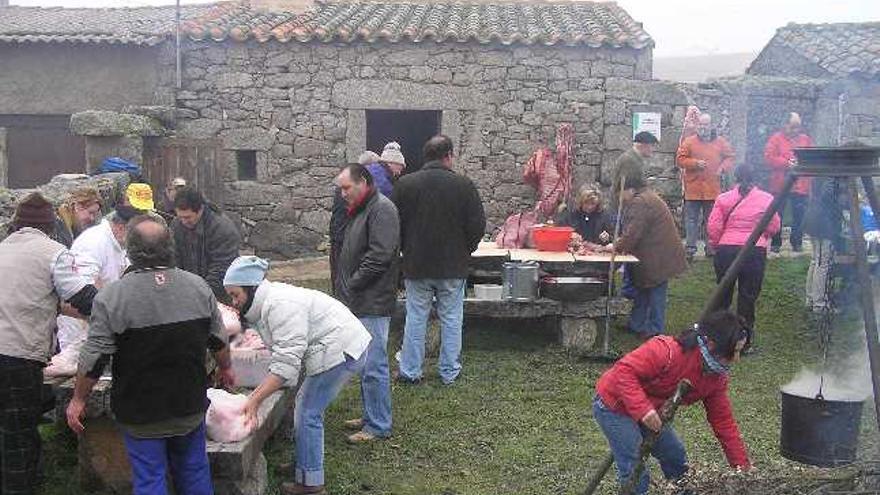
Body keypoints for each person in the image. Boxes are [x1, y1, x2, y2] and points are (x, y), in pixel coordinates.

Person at [67, 217, 234, 495]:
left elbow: (94, 357)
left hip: (139, 409)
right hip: (188, 404)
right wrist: (226, 368)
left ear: (130, 251)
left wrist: (78, 398)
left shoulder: (111, 297)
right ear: (171, 247)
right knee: (193, 469)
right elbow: (219, 340)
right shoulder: (198, 287)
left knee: (149, 477)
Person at [223, 256, 371, 495]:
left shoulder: (280, 305)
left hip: (341, 349)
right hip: (335, 345)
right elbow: (283, 354)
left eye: (235, 294)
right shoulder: (267, 303)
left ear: (250, 288)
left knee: (308, 410)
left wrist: (253, 399)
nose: (234, 301)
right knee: (305, 405)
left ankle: (311, 483)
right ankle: (305, 461)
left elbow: (285, 366)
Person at [0, 193, 98, 495]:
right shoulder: (54, 251)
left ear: (16, 225)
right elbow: (83, 298)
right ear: (50, 226)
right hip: (17, 354)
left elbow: (30, 298)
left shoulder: (3, 250)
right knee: (19, 435)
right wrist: (116, 312)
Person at [593, 311, 751, 495]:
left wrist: (742, 467)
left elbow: (723, 422)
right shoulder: (666, 351)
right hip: (614, 406)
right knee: (634, 466)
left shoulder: (716, 378)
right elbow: (623, 372)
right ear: (712, 344)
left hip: (653, 412)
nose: (737, 359)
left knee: (675, 457)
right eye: (734, 352)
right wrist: (644, 411)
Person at [391, 135, 486, 385]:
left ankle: (410, 370)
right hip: (452, 264)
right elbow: (477, 225)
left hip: (416, 264)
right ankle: (449, 372)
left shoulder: (404, 185)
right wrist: (466, 249)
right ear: (449, 155)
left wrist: (404, 249)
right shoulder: (464, 185)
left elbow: (393, 224)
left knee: (415, 317)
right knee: (452, 318)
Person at [334, 164, 400, 443]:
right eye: (340, 188)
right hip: (361, 297)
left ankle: (378, 425)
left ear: (363, 182)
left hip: (373, 298)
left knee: (374, 363)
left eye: (346, 187)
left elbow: (379, 256)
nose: (342, 193)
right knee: (364, 361)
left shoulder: (382, 209)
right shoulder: (363, 208)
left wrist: (352, 283)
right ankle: (370, 415)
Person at [600, 176, 687, 337]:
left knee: (655, 293)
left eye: (620, 193)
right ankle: (637, 324)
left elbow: (633, 233)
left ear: (629, 190)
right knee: (642, 289)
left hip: (659, 254)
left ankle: (655, 330)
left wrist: (616, 246)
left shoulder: (640, 202)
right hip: (654, 252)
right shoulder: (646, 197)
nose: (620, 198)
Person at [707, 164, 781, 354]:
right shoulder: (766, 199)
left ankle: (718, 337)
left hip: (727, 250)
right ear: (754, 178)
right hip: (754, 251)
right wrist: (762, 236)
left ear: (735, 178)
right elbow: (774, 226)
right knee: (748, 297)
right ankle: (744, 342)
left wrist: (718, 243)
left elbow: (714, 227)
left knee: (723, 294)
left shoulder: (724, 198)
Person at [56, 204, 140, 351]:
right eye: (135, 235)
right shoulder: (94, 242)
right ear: (121, 228)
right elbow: (80, 290)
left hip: (100, 322)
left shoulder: (118, 243)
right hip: (80, 328)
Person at [676, 114, 736, 261]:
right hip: (693, 188)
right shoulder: (689, 142)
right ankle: (690, 249)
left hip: (712, 189)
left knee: (711, 220)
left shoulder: (720, 142)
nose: (703, 127)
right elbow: (679, 160)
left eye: (706, 125)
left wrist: (722, 168)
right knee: (691, 220)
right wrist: (695, 163)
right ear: (697, 126)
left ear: (711, 125)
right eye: (701, 125)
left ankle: (710, 247)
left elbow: (730, 157)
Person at [172, 187, 241, 304]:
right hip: (188, 293)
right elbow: (174, 259)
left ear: (200, 209)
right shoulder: (177, 226)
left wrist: (199, 295)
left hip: (219, 296)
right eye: (180, 217)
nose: (183, 221)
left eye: (188, 217)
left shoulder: (222, 229)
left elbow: (221, 268)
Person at [764, 112, 814, 253]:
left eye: (798, 127)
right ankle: (776, 243)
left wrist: (802, 163)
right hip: (780, 184)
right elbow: (769, 158)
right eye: (793, 127)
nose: (795, 130)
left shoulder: (805, 139)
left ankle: (797, 242)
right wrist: (787, 163)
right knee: (777, 215)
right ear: (785, 125)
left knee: (799, 215)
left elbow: (811, 157)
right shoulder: (775, 139)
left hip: (800, 185)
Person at [803, 178, 846, 313]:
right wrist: (842, 202)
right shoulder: (831, 177)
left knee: (816, 261)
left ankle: (810, 299)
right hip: (822, 225)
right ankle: (819, 304)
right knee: (822, 264)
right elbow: (827, 195)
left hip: (814, 219)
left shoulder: (822, 171)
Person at [609, 131, 658, 207]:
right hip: (623, 207)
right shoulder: (630, 160)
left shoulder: (635, 158)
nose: (653, 149)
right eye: (652, 145)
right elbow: (630, 186)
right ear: (643, 145)